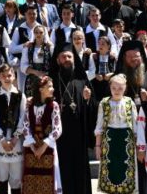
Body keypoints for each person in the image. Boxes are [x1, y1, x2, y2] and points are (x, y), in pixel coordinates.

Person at [50, 44, 93, 194]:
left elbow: (92, 109)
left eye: (69, 56)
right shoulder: (52, 82)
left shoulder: (82, 81)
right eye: (63, 57)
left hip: (78, 133)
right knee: (63, 168)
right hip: (59, 136)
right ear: (57, 60)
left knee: (79, 169)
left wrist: (87, 100)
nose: (66, 59)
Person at [94, 74, 140, 194]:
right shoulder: (104, 103)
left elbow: (135, 127)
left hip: (126, 141)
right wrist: (98, 146)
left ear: (125, 88)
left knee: (125, 170)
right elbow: (99, 126)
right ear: (110, 88)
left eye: (120, 88)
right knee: (111, 169)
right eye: (114, 88)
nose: (117, 91)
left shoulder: (130, 102)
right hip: (109, 140)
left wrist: (138, 146)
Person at [21, 75, 62, 194]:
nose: (52, 89)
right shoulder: (30, 105)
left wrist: (43, 147)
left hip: (47, 147)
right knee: (31, 180)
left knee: (48, 180)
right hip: (32, 148)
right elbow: (26, 126)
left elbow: (57, 128)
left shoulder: (53, 106)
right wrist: (33, 148)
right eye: (49, 86)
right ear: (40, 89)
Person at [0, 64, 25, 194]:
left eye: (9, 75)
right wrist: (2, 139)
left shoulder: (21, 96)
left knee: (16, 177)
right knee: (2, 176)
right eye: (3, 76)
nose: (7, 78)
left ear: (14, 76)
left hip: (16, 140)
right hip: (0, 142)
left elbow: (23, 117)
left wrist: (16, 137)